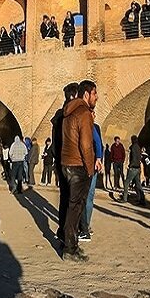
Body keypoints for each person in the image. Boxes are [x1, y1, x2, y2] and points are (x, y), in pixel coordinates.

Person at [61, 80, 97, 262]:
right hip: (78, 165)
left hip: (66, 164)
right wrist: (90, 169)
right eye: (94, 94)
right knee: (76, 208)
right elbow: (85, 144)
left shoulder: (68, 111)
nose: (96, 97)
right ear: (86, 94)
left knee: (72, 206)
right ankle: (69, 249)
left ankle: (71, 244)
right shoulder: (83, 112)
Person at [51, 83, 78, 242]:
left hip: (61, 162)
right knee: (73, 201)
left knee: (64, 198)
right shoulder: (73, 115)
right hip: (73, 162)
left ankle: (62, 231)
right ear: (74, 96)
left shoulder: (58, 116)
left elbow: (54, 145)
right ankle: (70, 237)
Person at [79, 111, 103, 242]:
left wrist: (99, 159)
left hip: (90, 164)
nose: (93, 115)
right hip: (90, 163)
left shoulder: (94, 127)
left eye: (93, 114)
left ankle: (85, 226)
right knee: (87, 196)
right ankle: (85, 226)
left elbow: (100, 144)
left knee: (88, 196)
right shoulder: (92, 126)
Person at [120, 135, 146, 205]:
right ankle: (142, 199)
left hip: (133, 168)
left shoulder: (134, 147)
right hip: (138, 168)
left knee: (126, 182)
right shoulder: (138, 147)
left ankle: (125, 198)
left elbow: (134, 157)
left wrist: (130, 165)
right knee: (138, 184)